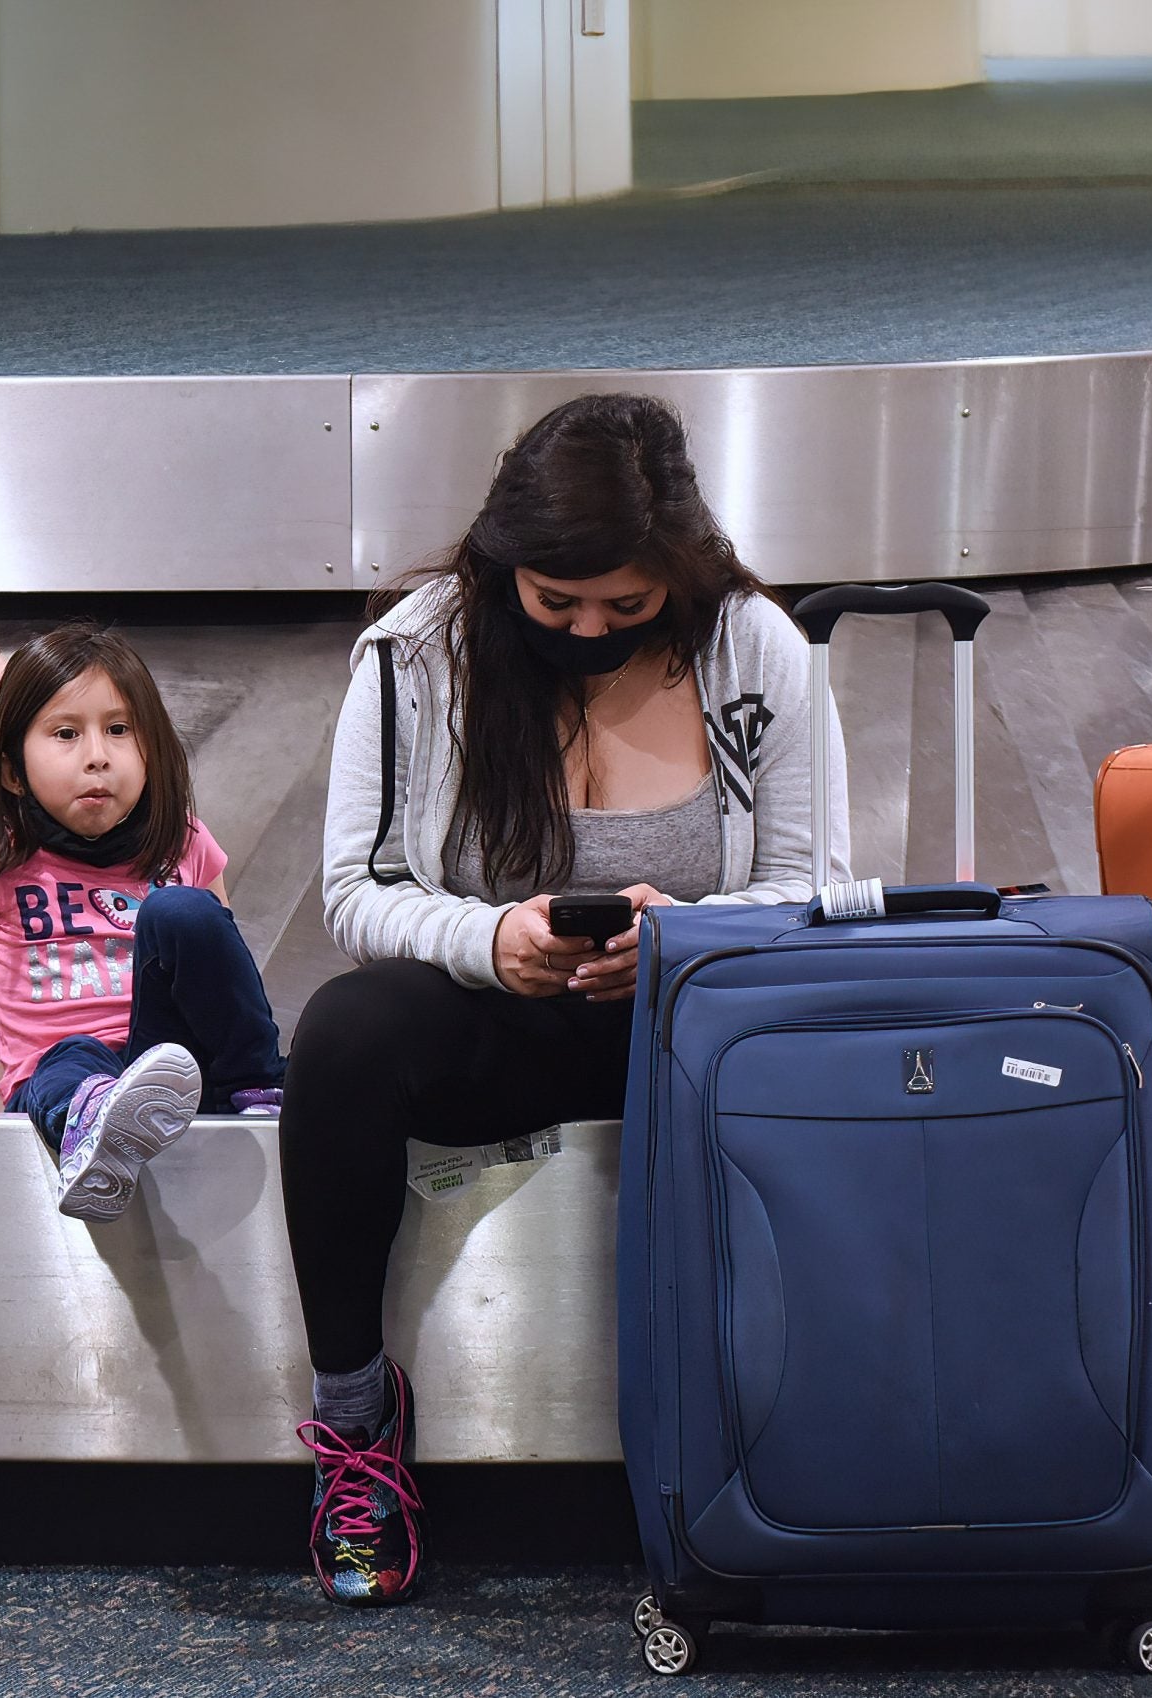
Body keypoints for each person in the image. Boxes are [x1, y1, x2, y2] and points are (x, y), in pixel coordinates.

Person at [279, 393, 845, 1605]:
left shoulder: (756, 650)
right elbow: (355, 890)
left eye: (624, 609)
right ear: (504, 565)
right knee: (342, 1035)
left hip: (693, 1028)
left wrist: (685, 940)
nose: (588, 627)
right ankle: (353, 1423)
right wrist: (492, 937)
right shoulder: (417, 650)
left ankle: (790, 1421)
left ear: (677, 576)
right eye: (556, 603)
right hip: (505, 1019)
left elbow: (808, 890)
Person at [0, 623, 284, 1221]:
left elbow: (225, 970)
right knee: (69, 1058)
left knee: (185, 912)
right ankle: (97, 1130)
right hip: (58, 1081)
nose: (97, 754)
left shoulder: (182, 842)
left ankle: (259, 1095)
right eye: (66, 734)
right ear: (13, 772)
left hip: (179, 1070)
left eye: (119, 730)